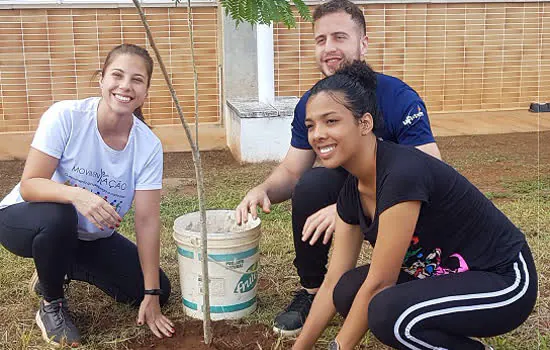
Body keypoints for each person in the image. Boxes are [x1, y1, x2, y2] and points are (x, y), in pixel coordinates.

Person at [291, 60, 537, 350]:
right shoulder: (351, 190)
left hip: (504, 279)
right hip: (443, 275)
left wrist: (337, 347)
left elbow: (381, 282)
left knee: (387, 313)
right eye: (311, 125)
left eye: (331, 121)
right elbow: (332, 280)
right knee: (346, 291)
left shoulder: (400, 174)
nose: (317, 134)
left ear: (364, 123)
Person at [236, 0, 442, 336]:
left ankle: (412, 274)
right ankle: (312, 291)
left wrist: (351, 209)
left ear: (363, 43)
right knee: (313, 185)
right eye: (320, 40)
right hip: (352, 192)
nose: (329, 48)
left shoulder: (398, 96)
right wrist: (263, 189)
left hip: (402, 204)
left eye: (339, 37)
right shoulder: (312, 103)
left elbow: (431, 168)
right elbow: (292, 170)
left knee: (380, 297)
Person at [0, 44, 175, 348]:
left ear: (146, 90)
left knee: (160, 287)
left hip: (89, 238)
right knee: (60, 214)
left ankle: (57, 267)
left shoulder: (147, 146)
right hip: (26, 218)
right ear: (101, 79)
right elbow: (30, 185)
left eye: (137, 80)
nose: (125, 86)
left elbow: (147, 221)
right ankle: (52, 304)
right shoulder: (67, 116)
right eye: (117, 75)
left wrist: (151, 295)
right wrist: (77, 195)